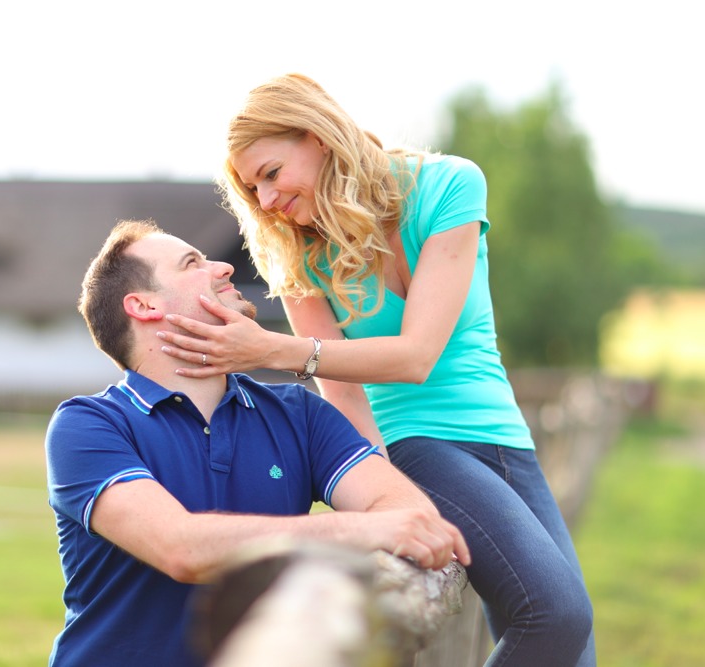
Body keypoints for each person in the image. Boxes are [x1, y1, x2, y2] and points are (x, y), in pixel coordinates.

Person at [154, 74, 596, 667]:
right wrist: (383, 484)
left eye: (271, 173)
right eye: (253, 189)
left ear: (316, 137)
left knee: (573, 645)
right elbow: (342, 391)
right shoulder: (295, 250)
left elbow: (417, 355)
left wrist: (271, 349)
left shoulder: (450, 185)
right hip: (413, 444)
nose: (266, 200)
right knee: (557, 615)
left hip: (504, 435)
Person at [45, 218, 470, 667]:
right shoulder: (87, 425)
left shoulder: (299, 413)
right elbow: (181, 548)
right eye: (192, 263)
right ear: (144, 305)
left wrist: (386, 523)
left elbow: (405, 510)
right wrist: (362, 530)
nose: (224, 267)